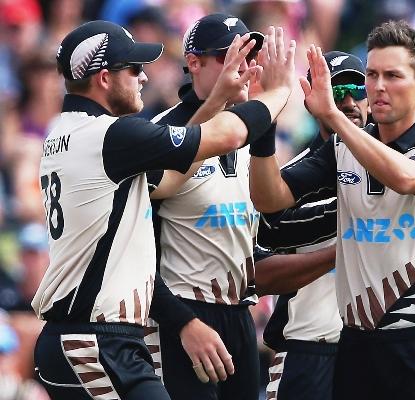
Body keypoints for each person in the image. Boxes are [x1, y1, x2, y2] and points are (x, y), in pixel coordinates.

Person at [31, 19, 295, 400]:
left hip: (101, 337)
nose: (143, 77)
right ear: (104, 78)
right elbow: (231, 134)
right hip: (91, 340)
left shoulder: (69, 132)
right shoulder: (112, 136)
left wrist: (216, 98)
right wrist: (280, 89)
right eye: (134, 68)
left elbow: (170, 179)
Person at [249, 20, 415, 400]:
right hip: (358, 345)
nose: (379, 86)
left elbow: (405, 177)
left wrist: (335, 117)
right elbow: (270, 199)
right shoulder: (339, 149)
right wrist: (264, 120)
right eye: (373, 74)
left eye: (393, 75)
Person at [149, 13, 267, 400]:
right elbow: (130, 255)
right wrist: (184, 324)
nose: (243, 67)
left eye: (249, 56)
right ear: (194, 63)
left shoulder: (252, 136)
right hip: (183, 317)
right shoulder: (157, 132)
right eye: (228, 56)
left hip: (240, 314)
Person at [256, 51, 367, 400]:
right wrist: (343, 248)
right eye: (335, 92)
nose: (347, 101)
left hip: (377, 347)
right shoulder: (288, 184)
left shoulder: (402, 166)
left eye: (355, 88)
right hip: (309, 346)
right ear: (311, 100)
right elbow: (258, 274)